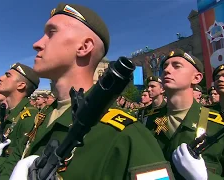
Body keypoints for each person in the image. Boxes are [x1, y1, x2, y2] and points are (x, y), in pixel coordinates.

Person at [10, 3, 174, 180]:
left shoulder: (125, 134)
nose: (37, 44)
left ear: (84, 47)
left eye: (51, 33)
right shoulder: (40, 118)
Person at [145, 49, 224, 179]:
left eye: (176, 66)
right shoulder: (147, 121)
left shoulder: (222, 125)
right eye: (165, 67)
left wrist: (205, 178)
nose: (167, 70)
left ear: (196, 78)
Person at [0, 63, 40, 180]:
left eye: (8, 75)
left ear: (21, 85)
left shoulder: (29, 118)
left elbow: (16, 167)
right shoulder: (11, 114)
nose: (0, 78)